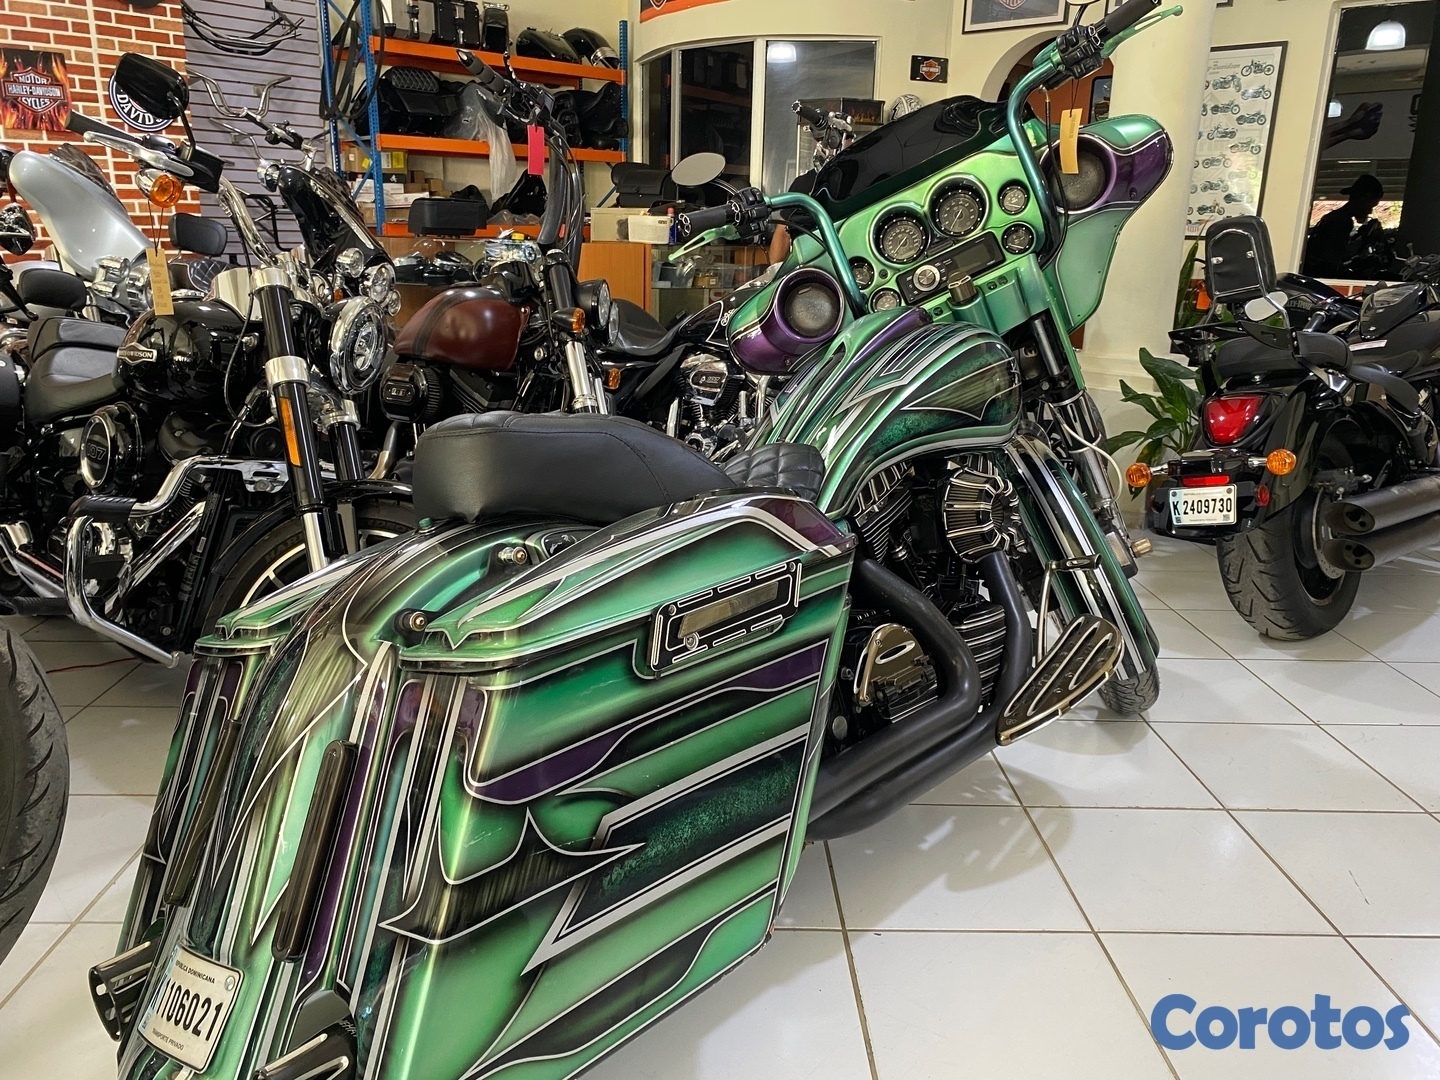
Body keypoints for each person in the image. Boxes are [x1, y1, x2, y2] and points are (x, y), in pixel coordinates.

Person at [1302, 173, 1383, 278]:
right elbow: (1331, 260)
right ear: (1363, 199)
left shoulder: (1336, 217)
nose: (1370, 211)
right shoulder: (1340, 222)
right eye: (1370, 205)